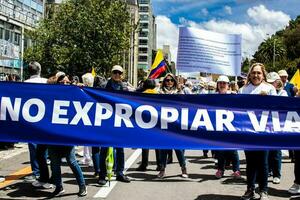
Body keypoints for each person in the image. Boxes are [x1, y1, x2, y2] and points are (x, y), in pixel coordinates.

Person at [239, 63, 277, 200]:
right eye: (253, 73)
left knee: (263, 162)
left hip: (264, 131)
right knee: (250, 162)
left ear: (263, 75)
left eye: (258, 73)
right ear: (249, 75)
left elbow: (277, 109)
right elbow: (238, 109)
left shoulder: (270, 88)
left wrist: (268, 101)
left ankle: (264, 190)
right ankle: (250, 189)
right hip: (248, 131)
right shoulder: (243, 90)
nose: (256, 75)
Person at [48, 73, 87, 197]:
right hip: (53, 135)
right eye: (62, 82)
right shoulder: (51, 94)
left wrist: (81, 88)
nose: (64, 84)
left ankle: (82, 186)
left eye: (67, 82)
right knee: (54, 163)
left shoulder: (73, 93)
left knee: (72, 161)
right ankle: (58, 187)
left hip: (67, 134)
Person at [98, 65, 131, 186]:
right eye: (115, 72)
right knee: (104, 149)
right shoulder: (103, 86)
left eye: (119, 72)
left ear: (122, 74)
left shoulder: (125, 88)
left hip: (119, 121)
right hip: (106, 121)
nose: (117, 74)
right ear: (111, 73)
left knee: (120, 149)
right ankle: (102, 175)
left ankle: (120, 173)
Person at [24, 62, 51, 188]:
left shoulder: (24, 84)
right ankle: (43, 172)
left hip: (30, 121)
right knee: (43, 148)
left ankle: (37, 172)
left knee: (33, 148)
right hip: (45, 120)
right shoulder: (47, 82)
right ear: (39, 70)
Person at [157, 73, 188, 178]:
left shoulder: (179, 92)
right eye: (167, 80)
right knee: (163, 149)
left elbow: (186, 102)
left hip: (176, 124)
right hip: (163, 123)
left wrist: (180, 90)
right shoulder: (159, 92)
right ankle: (162, 169)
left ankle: (184, 169)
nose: (169, 82)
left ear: (174, 82)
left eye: (171, 80)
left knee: (178, 148)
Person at [214, 76, 241, 179]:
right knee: (220, 150)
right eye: (220, 83)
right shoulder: (213, 97)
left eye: (224, 83)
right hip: (219, 127)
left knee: (233, 150)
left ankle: (236, 170)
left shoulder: (233, 95)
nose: (222, 85)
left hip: (230, 126)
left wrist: (237, 96)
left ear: (228, 85)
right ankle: (220, 170)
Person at [266, 72, 287, 185]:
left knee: (276, 151)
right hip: (266, 124)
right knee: (267, 150)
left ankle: (276, 174)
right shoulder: (265, 91)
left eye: (272, 83)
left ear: (277, 82)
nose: (270, 85)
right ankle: (268, 170)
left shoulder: (283, 93)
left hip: (278, 124)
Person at [136, 79, 162, 172]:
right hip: (157, 122)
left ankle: (144, 164)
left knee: (145, 144)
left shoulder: (141, 94)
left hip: (144, 121)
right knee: (157, 144)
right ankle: (160, 165)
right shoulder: (159, 95)